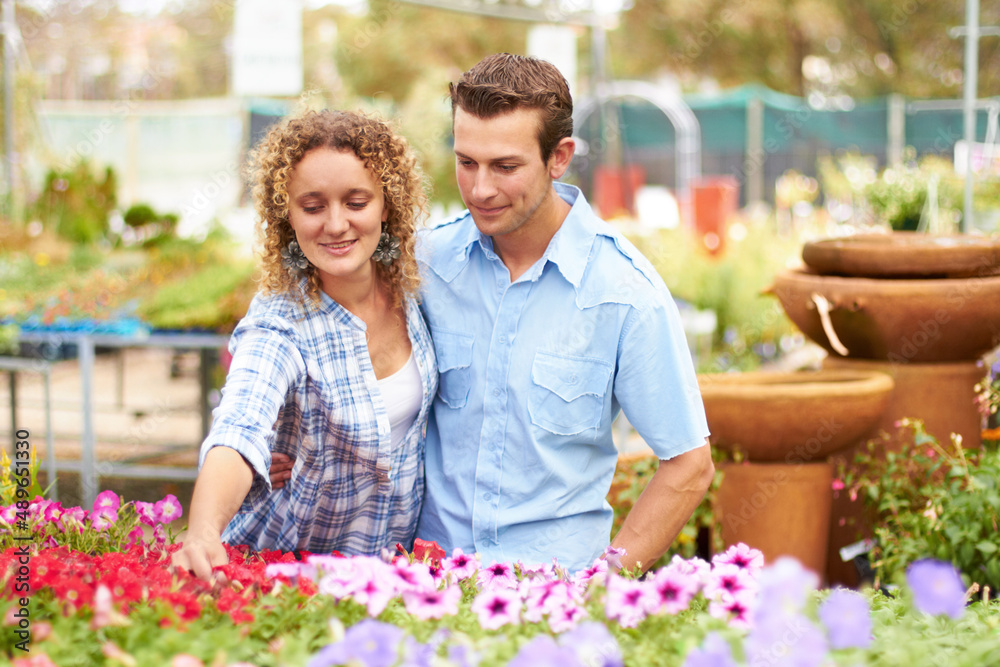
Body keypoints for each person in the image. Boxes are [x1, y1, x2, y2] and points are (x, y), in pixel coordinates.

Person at [414, 53, 714, 573]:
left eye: (505, 167)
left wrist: (603, 584)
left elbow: (689, 464)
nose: (480, 189)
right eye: (467, 162)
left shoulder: (624, 292)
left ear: (560, 157)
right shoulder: (424, 266)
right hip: (429, 591)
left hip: (552, 607)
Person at [172, 109, 437, 580]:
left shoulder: (413, 292)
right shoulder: (281, 320)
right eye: (313, 207)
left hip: (389, 577)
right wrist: (203, 532)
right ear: (286, 214)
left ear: (387, 204)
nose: (335, 225)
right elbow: (239, 425)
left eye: (356, 202)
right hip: (289, 578)